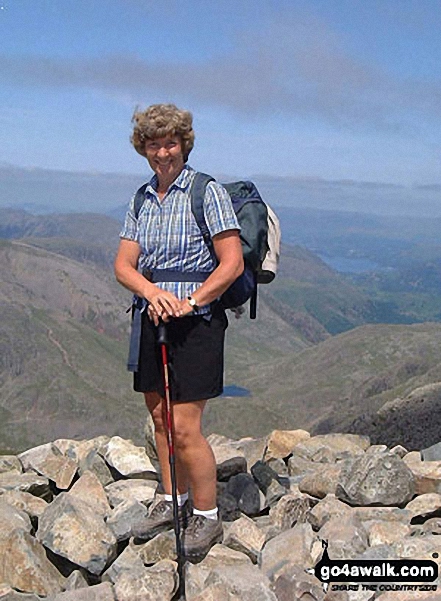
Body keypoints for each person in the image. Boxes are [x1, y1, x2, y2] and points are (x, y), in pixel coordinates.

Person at [114, 103, 243, 559]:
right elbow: (123, 266)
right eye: (154, 144)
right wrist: (153, 294)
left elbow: (232, 263)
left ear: (184, 144)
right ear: (143, 149)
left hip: (198, 324)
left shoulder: (205, 192)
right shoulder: (141, 198)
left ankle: (206, 517)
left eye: (170, 143)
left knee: (185, 428)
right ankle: (173, 502)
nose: (162, 152)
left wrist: (190, 303)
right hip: (151, 318)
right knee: (160, 419)